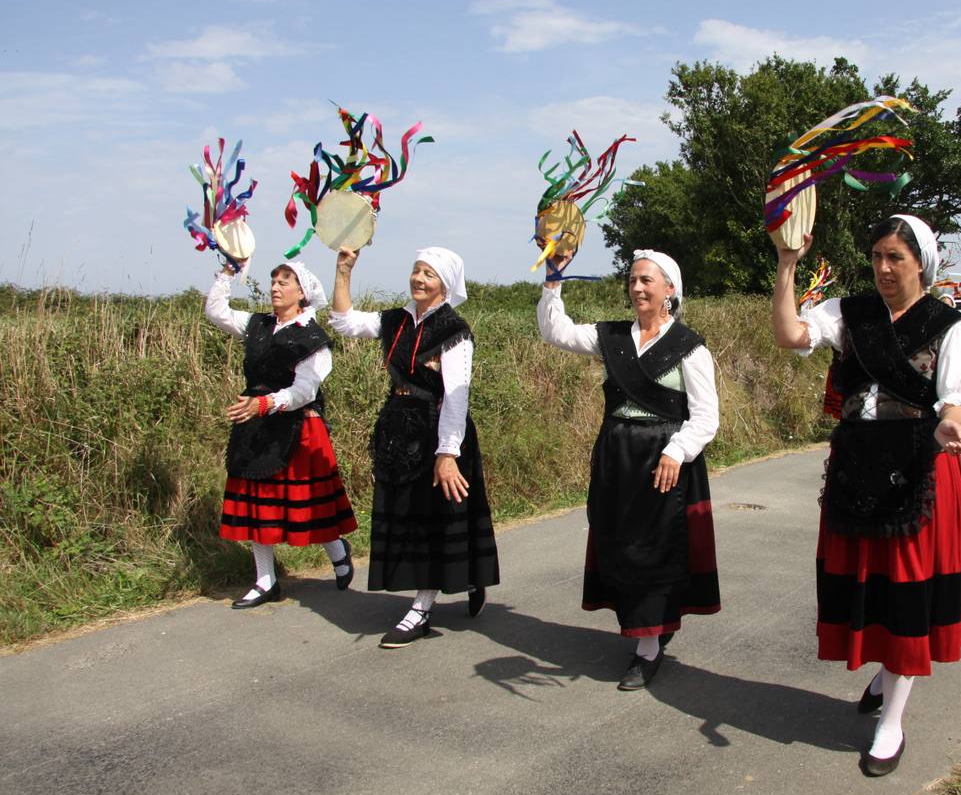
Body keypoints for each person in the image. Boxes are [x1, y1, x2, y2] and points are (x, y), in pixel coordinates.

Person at [772, 215, 961, 777]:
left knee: (905, 594)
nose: (884, 269)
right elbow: (791, 335)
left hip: (917, 469)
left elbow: (954, 399)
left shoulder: (950, 326)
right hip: (857, 462)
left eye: (896, 259)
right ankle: (885, 676)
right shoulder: (849, 311)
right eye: (878, 256)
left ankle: (893, 720)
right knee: (870, 584)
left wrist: (950, 425)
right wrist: (788, 265)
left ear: (922, 264)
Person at [537, 248, 720, 691]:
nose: (637, 288)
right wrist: (553, 278)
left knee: (654, 549)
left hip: (665, 461)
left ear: (669, 290)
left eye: (647, 281)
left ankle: (648, 648)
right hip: (616, 457)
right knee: (619, 540)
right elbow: (554, 331)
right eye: (633, 280)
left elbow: (706, 417)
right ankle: (650, 625)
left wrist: (676, 453)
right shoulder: (612, 337)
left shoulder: (689, 347)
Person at [329, 247, 500, 647]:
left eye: (429, 274)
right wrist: (343, 272)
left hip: (438, 428)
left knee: (433, 518)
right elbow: (343, 321)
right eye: (416, 271)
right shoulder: (395, 320)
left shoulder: (453, 330)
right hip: (398, 429)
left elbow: (457, 396)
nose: (419, 279)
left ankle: (422, 608)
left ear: (445, 284)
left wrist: (447, 453)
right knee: (407, 514)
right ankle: (468, 574)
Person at [205, 260, 357, 608]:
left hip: (298, 425)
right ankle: (265, 580)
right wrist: (228, 271)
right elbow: (216, 312)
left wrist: (263, 404)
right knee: (258, 505)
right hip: (256, 425)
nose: (275, 287)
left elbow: (304, 390)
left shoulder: (313, 338)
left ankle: (337, 550)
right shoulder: (258, 325)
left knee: (308, 505)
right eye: (273, 281)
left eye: (284, 282)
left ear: (301, 292)